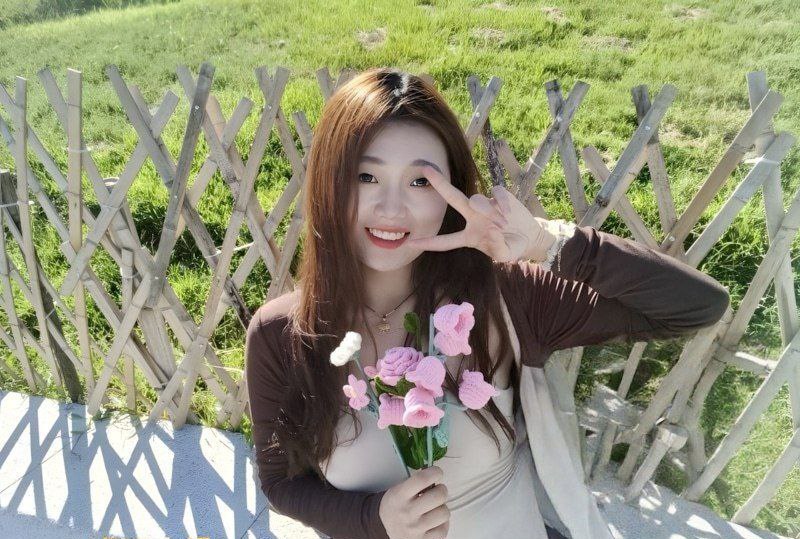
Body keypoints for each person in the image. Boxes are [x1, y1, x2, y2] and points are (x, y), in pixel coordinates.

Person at [245, 67, 730, 539]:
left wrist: (548, 244)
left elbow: (697, 306)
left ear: (452, 191)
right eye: (365, 177)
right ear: (327, 183)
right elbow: (281, 483)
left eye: (420, 182)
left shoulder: (503, 299)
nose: (391, 209)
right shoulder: (284, 334)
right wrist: (374, 520)